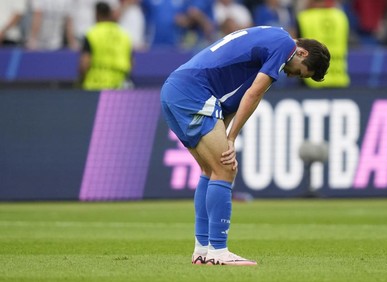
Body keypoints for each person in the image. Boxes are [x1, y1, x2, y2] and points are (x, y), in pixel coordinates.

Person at [160, 26, 330, 266]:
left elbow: (230, 102)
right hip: (193, 91)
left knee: (211, 170)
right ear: (301, 53)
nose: (293, 77)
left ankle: (203, 250)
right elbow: (253, 95)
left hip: (178, 88)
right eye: (301, 73)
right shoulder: (284, 46)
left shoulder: (271, 37)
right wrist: (231, 139)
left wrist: (225, 133)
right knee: (226, 169)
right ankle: (218, 252)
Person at [79, 2, 133, 90]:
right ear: (110, 14)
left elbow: (84, 63)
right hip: (119, 87)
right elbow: (131, 63)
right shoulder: (124, 35)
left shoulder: (92, 34)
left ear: (96, 14)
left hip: (94, 87)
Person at [297, 0, 349, 88]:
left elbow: (294, 47)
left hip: (311, 79)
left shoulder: (304, 17)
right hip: (339, 77)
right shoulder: (341, 16)